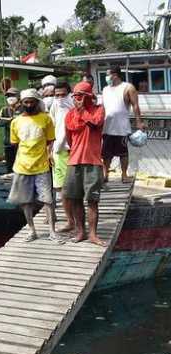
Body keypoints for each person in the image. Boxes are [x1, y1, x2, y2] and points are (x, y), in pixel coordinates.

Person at [8, 89, 62, 243]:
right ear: (22, 103)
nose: (29, 104)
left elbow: (50, 139)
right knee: (25, 201)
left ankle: (52, 231)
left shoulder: (46, 119)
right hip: (22, 167)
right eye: (26, 102)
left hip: (42, 166)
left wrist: (48, 153)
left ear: (37, 102)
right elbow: (14, 143)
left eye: (32, 101)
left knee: (48, 200)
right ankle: (32, 231)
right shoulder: (15, 122)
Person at [64, 81, 106, 245]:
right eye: (75, 96)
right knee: (74, 199)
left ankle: (93, 235)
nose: (76, 99)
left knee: (93, 201)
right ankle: (81, 232)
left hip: (93, 161)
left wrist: (83, 111)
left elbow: (95, 124)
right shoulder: (69, 115)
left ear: (89, 97)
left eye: (80, 96)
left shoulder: (99, 110)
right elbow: (69, 138)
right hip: (74, 161)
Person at [102, 65, 144, 183]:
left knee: (123, 153)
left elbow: (135, 105)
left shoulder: (128, 87)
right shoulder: (105, 89)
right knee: (106, 154)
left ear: (115, 75)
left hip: (122, 128)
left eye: (107, 74)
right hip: (107, 127)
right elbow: (103, 108)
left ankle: (124, 175)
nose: (107, 77)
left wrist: (139, 122)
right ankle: (105, 174)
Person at [48, 81, 74, 228]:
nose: (60, 97)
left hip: (71, 150)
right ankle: (70, 221)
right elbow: (52, 126)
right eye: (57, 95)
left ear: (68, 93)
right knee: (60, 188)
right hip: (58, 151)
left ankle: (74, 221)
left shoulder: (72, 105)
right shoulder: (55, 105)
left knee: (70, 189)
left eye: (63, 94)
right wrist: (51, 149)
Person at [0, 87, 21, 174]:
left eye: (12, 95)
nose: (10, 98)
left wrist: (8, 119)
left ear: (18, 96)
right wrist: (10, 119)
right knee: (9, 166)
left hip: (21, 143)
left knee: (21, 164)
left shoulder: (23, 108)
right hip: (8, 142)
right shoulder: (4, 109)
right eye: (8, 96)